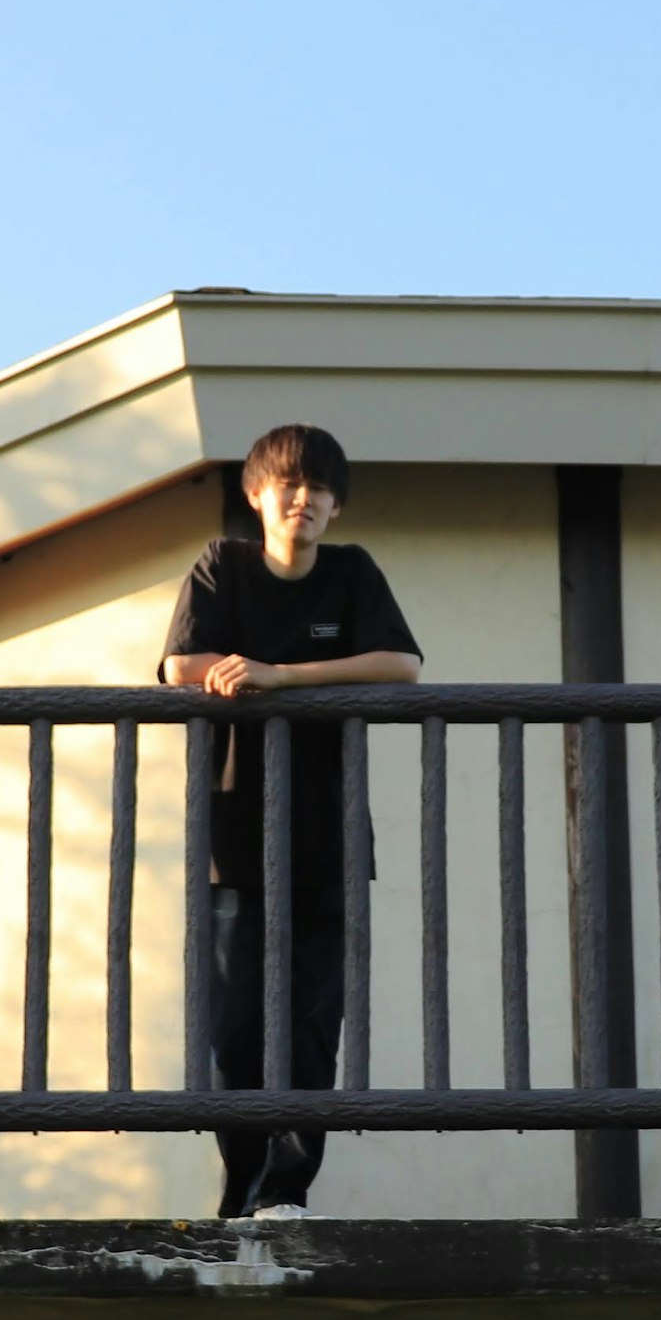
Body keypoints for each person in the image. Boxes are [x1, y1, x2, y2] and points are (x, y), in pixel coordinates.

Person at [160, 423, 422, 1219]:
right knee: (234, 1028)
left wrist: (279, 676)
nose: (301, 499)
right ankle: (242, 1180)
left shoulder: (350, 574)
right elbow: (180, 665)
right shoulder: (223, 565)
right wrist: (238, 675)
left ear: (336, 505)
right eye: (286, 484)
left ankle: (285, 1190)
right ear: (256, 495)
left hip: (329, 835)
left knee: (312, 1025)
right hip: (233, 837)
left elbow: (402, 665)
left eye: (318, 489)